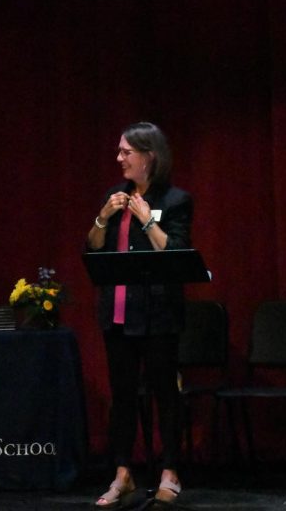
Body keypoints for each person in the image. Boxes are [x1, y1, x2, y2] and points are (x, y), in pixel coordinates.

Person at [86, 122, 192, 508]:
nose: (119, 159)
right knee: (123, 395)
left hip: (160, 314)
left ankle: (170, 471)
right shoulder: (115, 197)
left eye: (126, 152)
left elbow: (176, 254)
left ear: (149, 157)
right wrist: (101, 218)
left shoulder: (177, 200)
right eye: (118, 151)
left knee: (166, 394)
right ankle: (122, 473)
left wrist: (148, 219)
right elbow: (95, 249)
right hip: (117, 313)